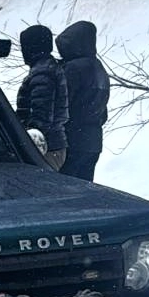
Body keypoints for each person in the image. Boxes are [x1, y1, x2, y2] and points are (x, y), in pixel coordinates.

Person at [55, 20, 110, 181]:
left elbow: (62, 103)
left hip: (72, 139)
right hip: (93, 141)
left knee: (63, 190)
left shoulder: (73, 69)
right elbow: (103, 112)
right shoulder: (99, 68)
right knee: (83, 190)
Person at [15, 24, 69, 170]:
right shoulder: (47, 68)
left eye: (24, 46)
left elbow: (42, 116)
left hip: (45, 148)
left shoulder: (43, 72)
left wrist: (27, 141)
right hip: (50, 145)